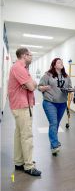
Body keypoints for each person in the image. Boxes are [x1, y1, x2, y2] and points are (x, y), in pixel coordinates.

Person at [8, 47, 42, 176]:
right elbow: (32, 86)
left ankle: (19, 162)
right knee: (27, 136)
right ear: (24, 55)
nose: (31, 57)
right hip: (21, 106)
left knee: (19, 134)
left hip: (19, 105)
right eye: (30, 55)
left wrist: (31, 85)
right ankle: (29, 166)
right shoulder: (19, 68)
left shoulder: (21, 68)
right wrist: (31, 85)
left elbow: (33, 85)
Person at [38, 58, 72, 155]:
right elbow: (39, 87)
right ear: (54, 65)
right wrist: (45, 87)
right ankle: (54, 146)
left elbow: (69, 87)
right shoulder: (48, 75)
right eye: (58, 62)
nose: (61, 63)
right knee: (53, 123)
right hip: (50, 102)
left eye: (62, 62)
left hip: (62, 103)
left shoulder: (66, 76)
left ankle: (54, 141)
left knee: (56, 124)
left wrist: (70, 90)